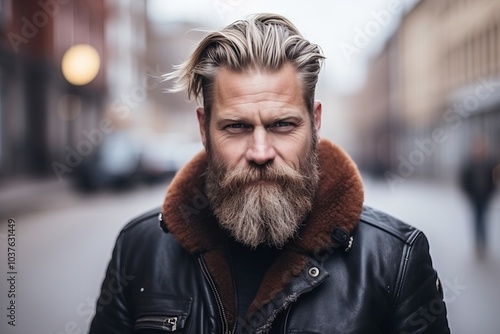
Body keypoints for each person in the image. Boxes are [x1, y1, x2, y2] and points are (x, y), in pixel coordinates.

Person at [89, 13, 450, 333]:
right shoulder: (140, 250)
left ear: (315, 123)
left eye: (282, 124)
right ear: (204, 129)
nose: (260, 153)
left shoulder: (394, 261)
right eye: (236, 127)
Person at [459, 137, 497, 259]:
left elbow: (494, 179)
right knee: (476, 219)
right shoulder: (469, 163)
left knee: (483, 219)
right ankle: (477, 244)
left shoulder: (489, 163)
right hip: (474, 197)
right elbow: (463, 179)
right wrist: (468, 193)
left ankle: (483, 243)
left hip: (485, 197)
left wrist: (491, 192)